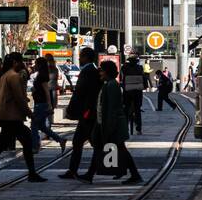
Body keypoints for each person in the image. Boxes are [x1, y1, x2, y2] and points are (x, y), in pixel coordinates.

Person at [0, 52, 45, 183]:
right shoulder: (14, 76)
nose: (22, 65)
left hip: (5, 115)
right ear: (15, 62)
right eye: (20, 62)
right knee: (27, 140)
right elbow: (19, 98)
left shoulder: (5, 75)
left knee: (2, 145)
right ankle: (32, 173)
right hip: (11, 116)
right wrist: (30, 114)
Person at [83, 60, 142, 183]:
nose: (100, 73)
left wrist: (108, 128)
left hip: (112, 125)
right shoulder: (107, 84)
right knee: (101, 148)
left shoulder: (112, 85)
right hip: (105, 124)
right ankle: (89, 174)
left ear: (107, 72)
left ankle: (135, 174)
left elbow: (112, 109)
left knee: (120, 149)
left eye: (102, 70)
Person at [60, 46, 103, 180]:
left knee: (92, 143)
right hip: (87, 113)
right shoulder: (91, 70)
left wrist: (78, 110)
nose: (79, 58)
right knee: (79, 142)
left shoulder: (89, 71)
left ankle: (86, 172)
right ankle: (74, 171)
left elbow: (83, 93)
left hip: (88, 114)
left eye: (81, 56)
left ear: (86, 57)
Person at [29, 56, 67, 151]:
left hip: (41, 104)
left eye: (36, 64)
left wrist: (49, 105)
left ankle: (35, 146)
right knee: (42, 126)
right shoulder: (40, 75)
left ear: (40, 65)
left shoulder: (42, 77)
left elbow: (46, 91)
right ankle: (60, 139)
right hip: (40, 103)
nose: (35, 65)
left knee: (34, 125)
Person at [121, 54, 147, 133]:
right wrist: (145, 86)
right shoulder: (140, 68)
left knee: (126, 109)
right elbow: (144, 78)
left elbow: (122, 79)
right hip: (137, 92)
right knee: (137, 110)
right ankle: (138, 128)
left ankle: (125, 128)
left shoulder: (124, 68)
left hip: (127, 92)